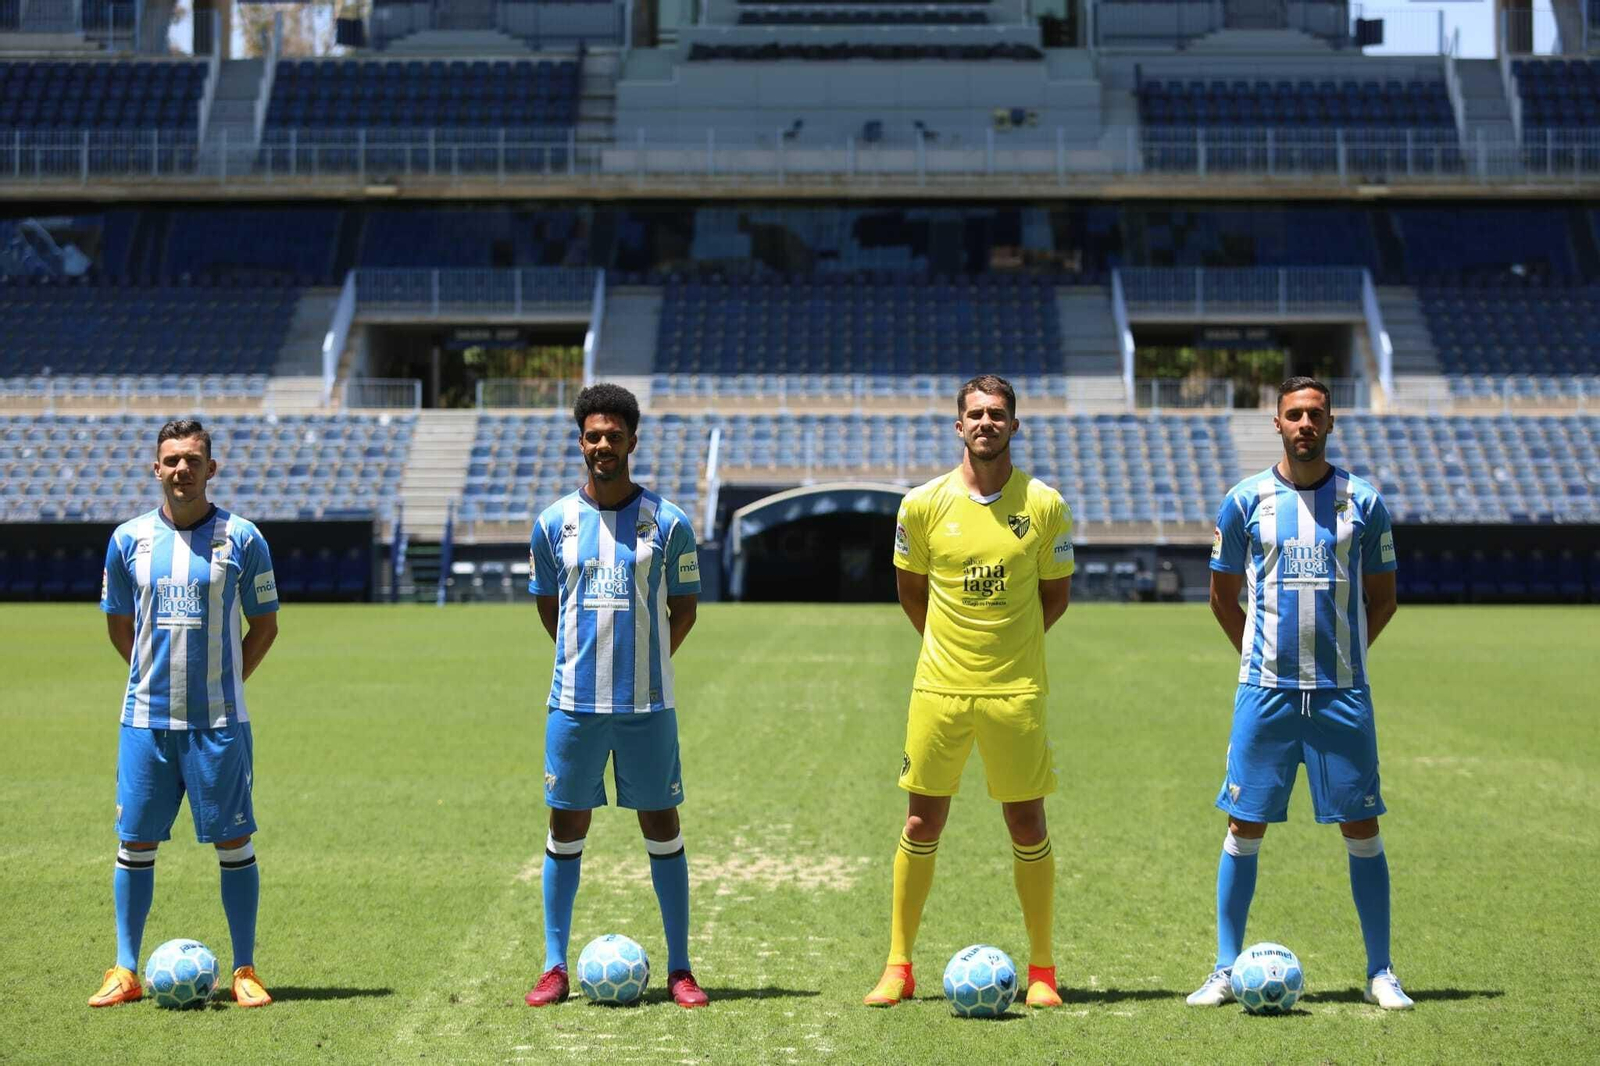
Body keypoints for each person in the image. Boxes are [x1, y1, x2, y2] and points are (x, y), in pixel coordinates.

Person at [1187, 376, 1412, 1011]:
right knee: (1244, 824)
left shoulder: (1363, 502)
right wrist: (1259, 659)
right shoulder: (1244, 500)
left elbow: (1384, 598)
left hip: (1342, 693)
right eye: (1294, 414)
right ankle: (1226, 970)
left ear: (1331, 422)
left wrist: (1346, 656)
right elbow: (1221, 598)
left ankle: (1380, 971)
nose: (1305, 423)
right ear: (1277, 424)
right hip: (1265, 694)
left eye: (1315, 413)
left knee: (1361, 825)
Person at [865, 374, 1075, 1010]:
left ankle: (1043, 971)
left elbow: (1054, 598)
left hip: (1014, 691)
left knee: (1026, 819)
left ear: (1015, 425)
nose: (986, 423)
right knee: (921, 820)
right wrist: (948, 648)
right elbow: (911, 589)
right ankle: (899, 966)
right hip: (939, 690)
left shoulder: (1044, 505)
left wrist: (1006, 647)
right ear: (959, 426)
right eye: (975, 414)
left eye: (998, 414)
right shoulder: (921, 505)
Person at [523, 383, 710, 1010]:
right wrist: (591, 662)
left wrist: (644, 662)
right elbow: (551, 610)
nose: (603, 444)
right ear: (581, 443)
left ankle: (680, 968)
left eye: (613, 435)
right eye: (592, 435)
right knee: (565, 826)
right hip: (573, 705)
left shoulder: (670, 522)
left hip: (647, 708)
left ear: (633, 440)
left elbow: (683, 611)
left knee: (662, 824)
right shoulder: (553, 523)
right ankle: (553, 965)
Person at [91, 418, 280, 1008]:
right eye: (171, 459)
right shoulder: (128, 541)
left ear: (211, 469)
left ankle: (244, 968)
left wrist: (220, 682)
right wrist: (153, 678)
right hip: (145, 722)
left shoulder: (244, 539)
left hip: (219, 724)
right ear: (156, 468)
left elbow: (265, 625)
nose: (181, 469)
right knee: (134, 842)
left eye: (193, 460)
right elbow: (119, 624)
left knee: (235, 841)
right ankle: (125, 970)